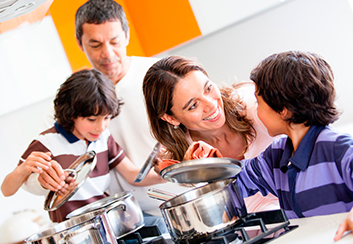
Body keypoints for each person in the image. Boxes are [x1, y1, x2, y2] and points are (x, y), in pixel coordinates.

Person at [36, 0, 188, 221]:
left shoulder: (163, 76)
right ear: (80, 44)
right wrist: (44, 176)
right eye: (95, 45)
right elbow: (42, 157)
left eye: (115, 41)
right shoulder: (73, 98)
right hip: (126, 219)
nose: (107, 54)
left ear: (126, 35)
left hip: (181, 200)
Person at [1, 69, 166, 223]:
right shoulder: (48, 141)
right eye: (92, 120)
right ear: (71, 114)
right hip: (73, 227)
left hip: (107, 219)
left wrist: (163, 173)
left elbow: (132, 175)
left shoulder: (103, 138)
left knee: (158, 224)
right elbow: (6, 190)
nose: (101, 127)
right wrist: (22, 170)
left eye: (107, 118)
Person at [226, 51, 353, 241]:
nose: (256, 111)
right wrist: (209, 165)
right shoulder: (275, 156)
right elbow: (235, 182)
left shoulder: (338, 149)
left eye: (258, 102)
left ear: (283, 110)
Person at [142, 55, 280, 213]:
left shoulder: (254, 105)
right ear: (171, 118)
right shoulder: (188, 155)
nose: (211, 104)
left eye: (208, 88)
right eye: (193, 105)